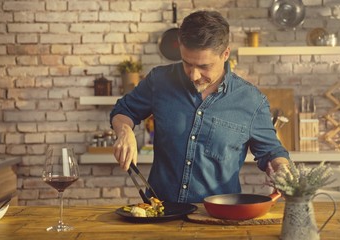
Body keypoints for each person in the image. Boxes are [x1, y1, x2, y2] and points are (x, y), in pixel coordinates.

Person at [110, 10, 290, 203]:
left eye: (204, 66)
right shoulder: (159, 81)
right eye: (187, 63)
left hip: (219, 216)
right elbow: (123, 111)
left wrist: (281, 169)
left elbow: (271, 152)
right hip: (161, 213)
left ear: (226, 54)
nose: (193, 75)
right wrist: (125, 131)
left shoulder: (252, 101)